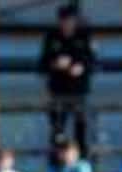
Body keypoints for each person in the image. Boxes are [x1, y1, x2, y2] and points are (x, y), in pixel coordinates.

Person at [39, 4, 94, 152]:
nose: (67, 24)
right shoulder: (52, 38)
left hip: (78, 92)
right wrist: (56, 64)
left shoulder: (83, 37)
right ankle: (56, 160)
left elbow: (92, 62)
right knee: (58, 130)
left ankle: (82, 159)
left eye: (70, 20)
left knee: (80, 128)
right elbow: (42, 65)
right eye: (64, 21)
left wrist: (81, 67)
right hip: (58, 92)